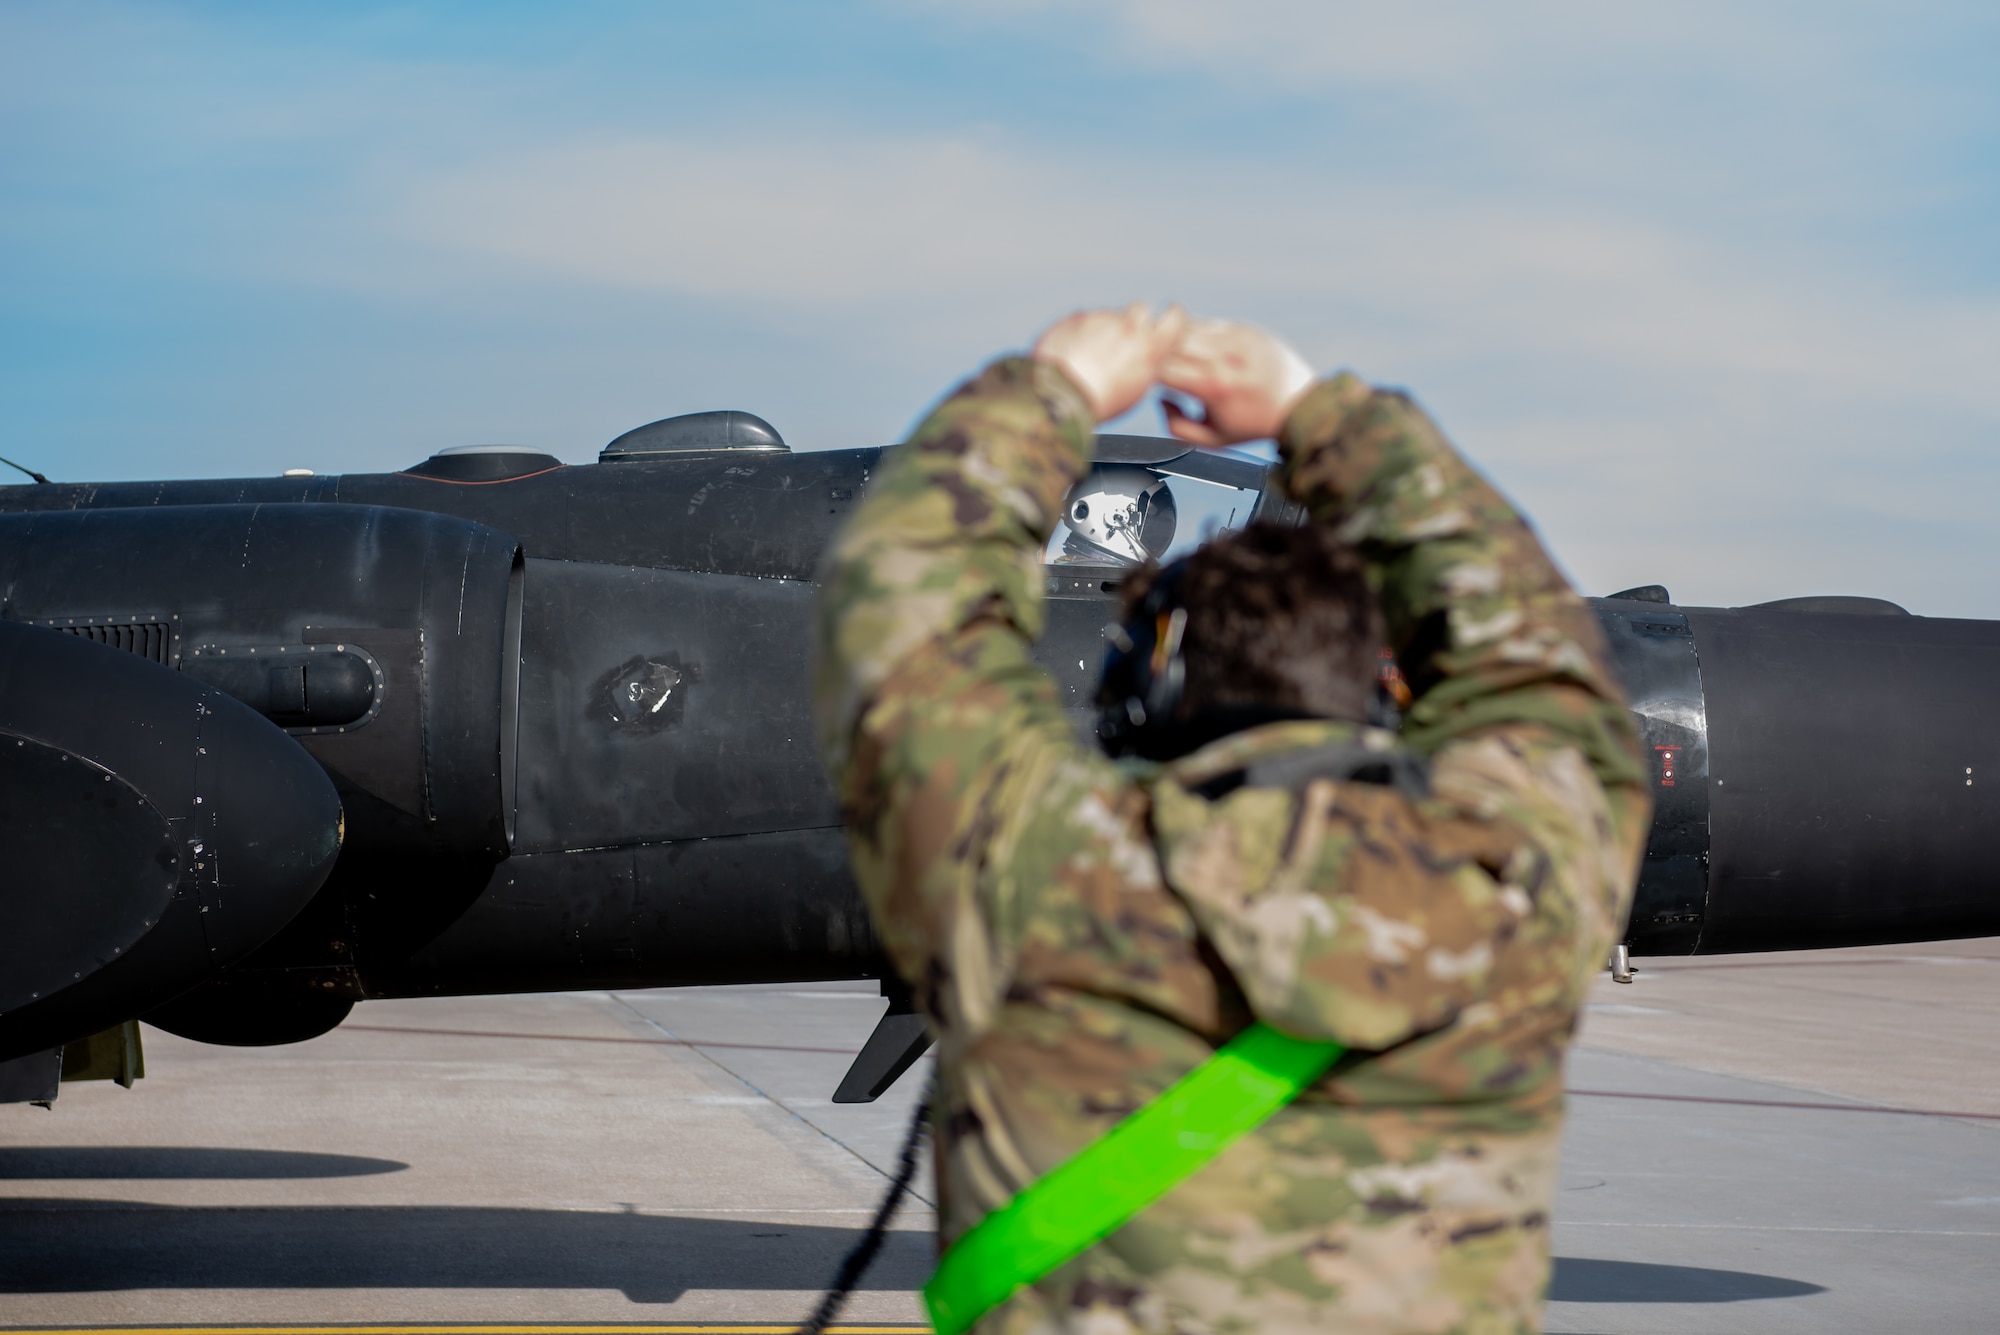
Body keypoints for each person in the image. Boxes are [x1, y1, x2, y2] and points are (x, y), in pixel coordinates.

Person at [811, 304, 1649, 1334]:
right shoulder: (1518, 889)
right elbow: (1542, 672)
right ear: (1381, 695)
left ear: (1142, 692)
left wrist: (1047, 389)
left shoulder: (1039, 865)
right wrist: (1317, 412)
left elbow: (902, 608)